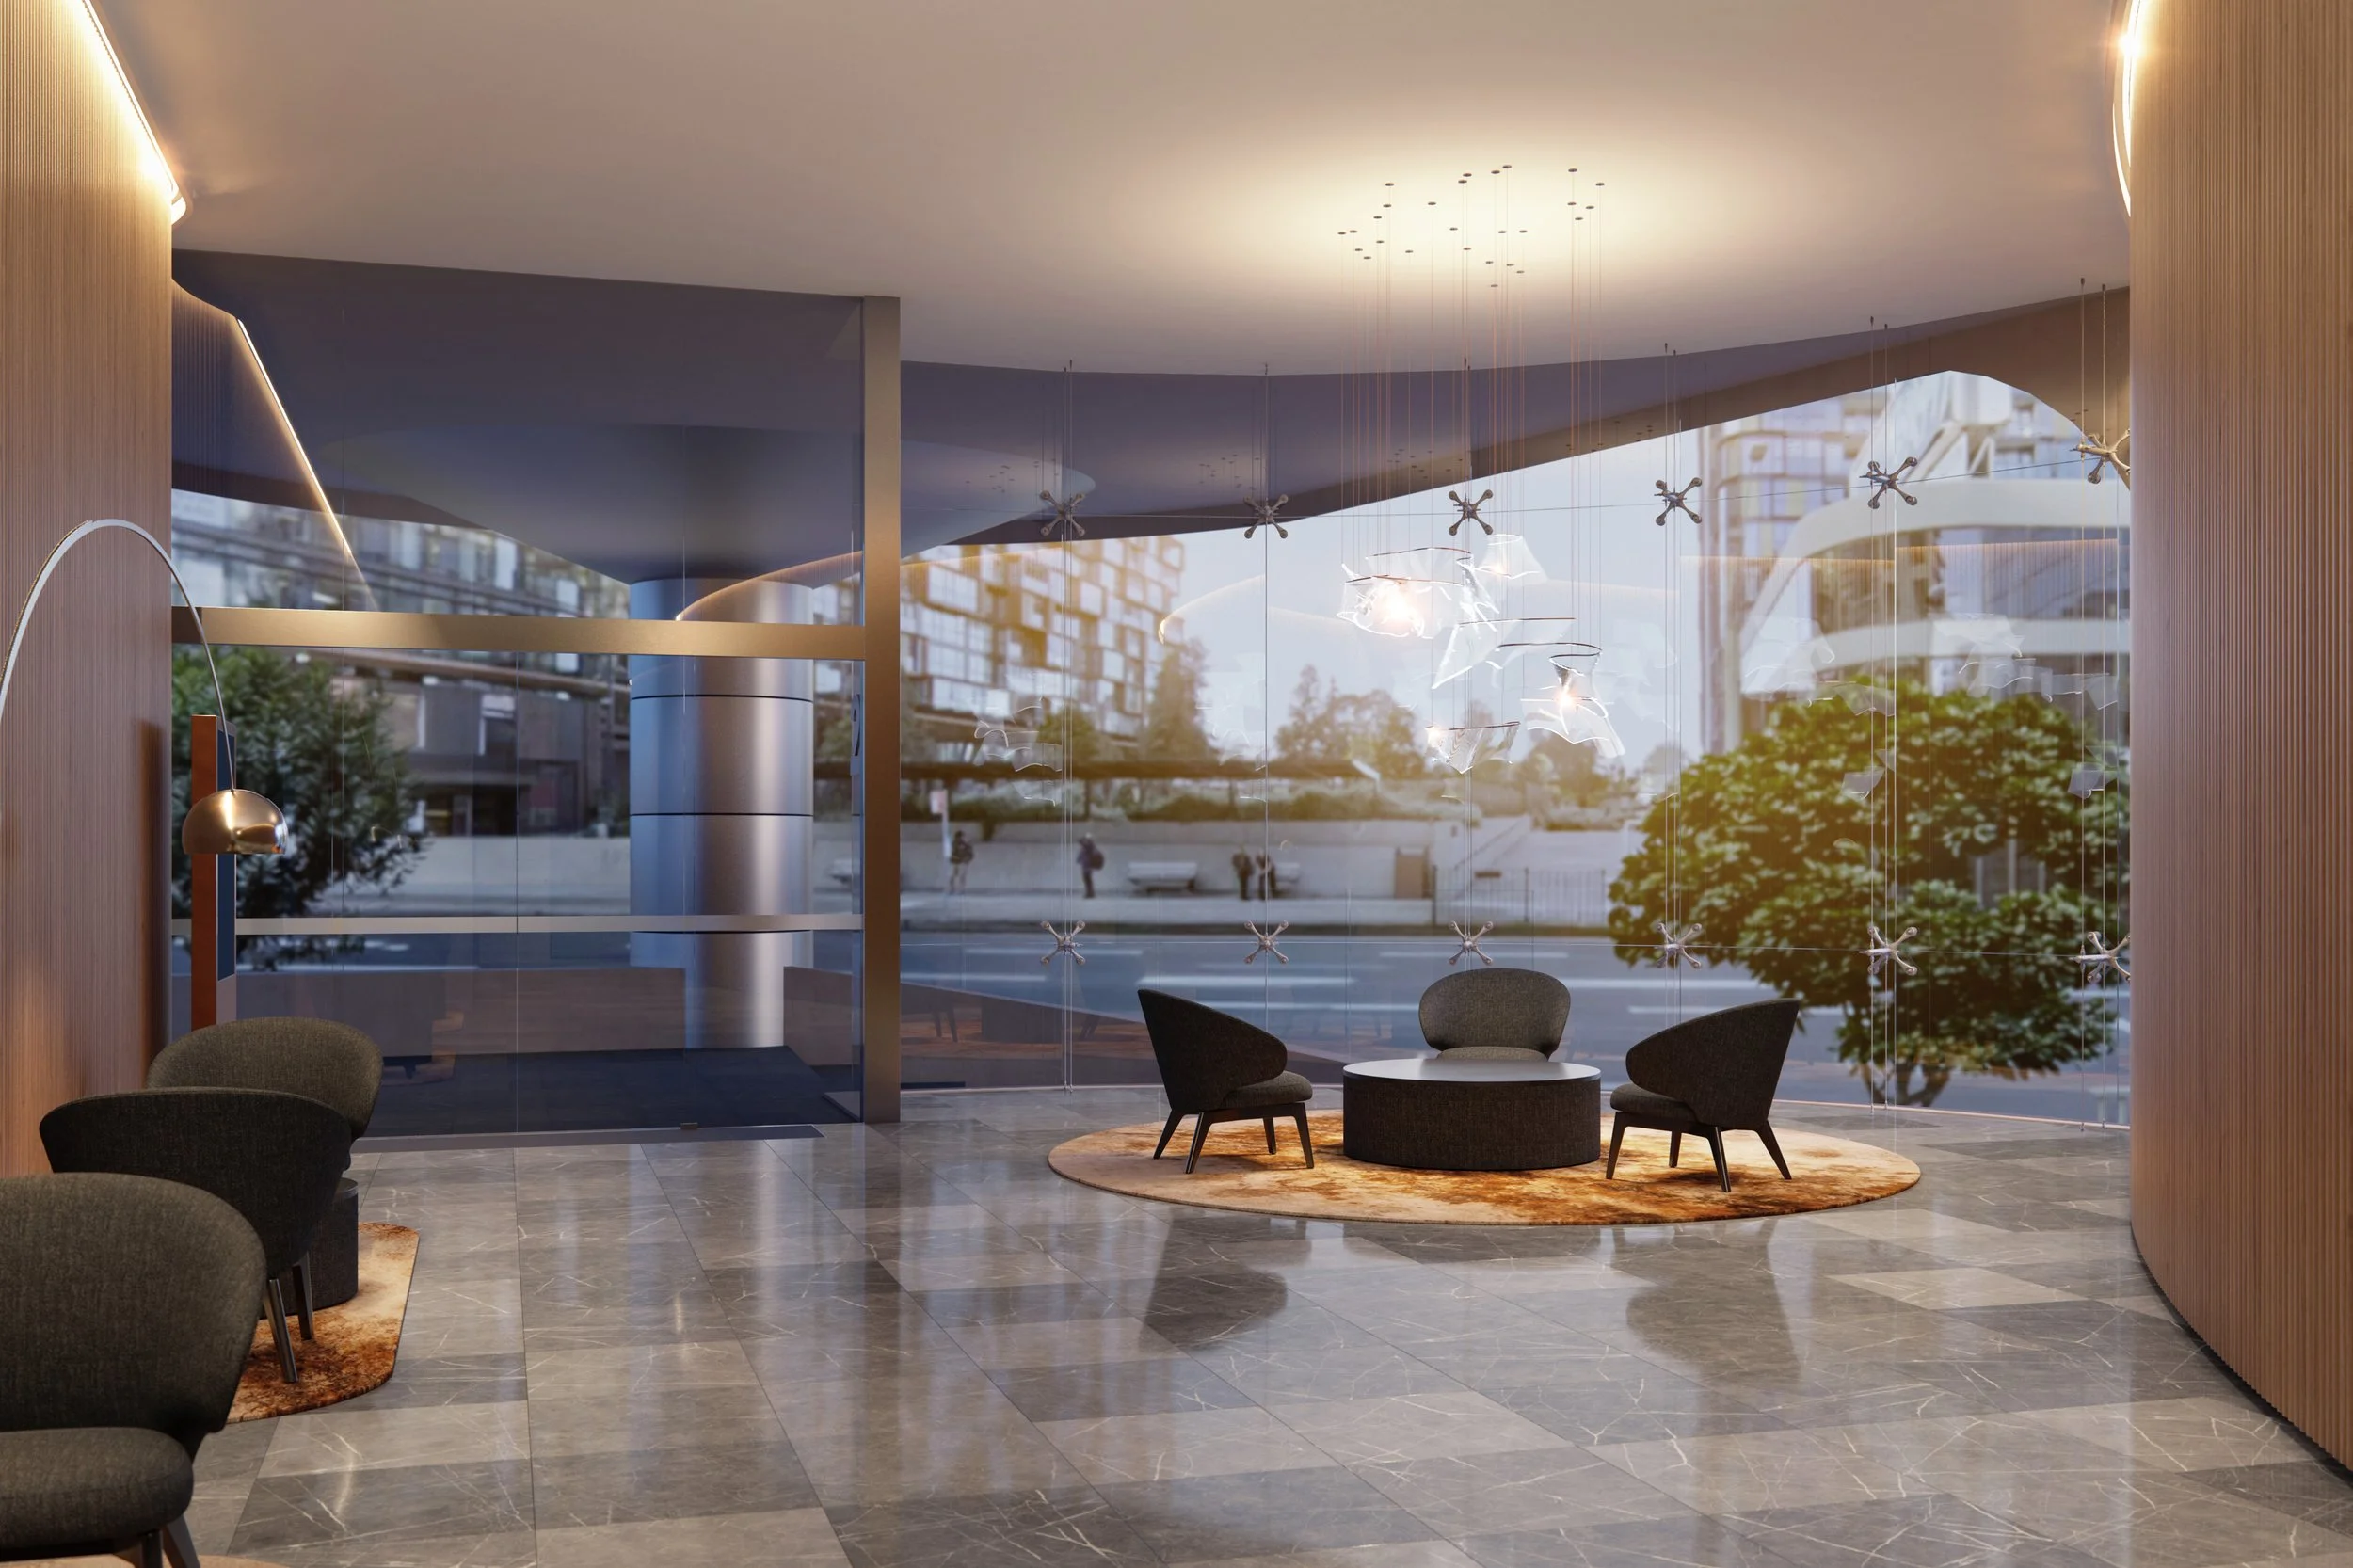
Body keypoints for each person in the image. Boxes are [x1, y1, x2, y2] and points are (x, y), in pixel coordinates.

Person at [1077, 834, 1105, 899]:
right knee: (1087, 880)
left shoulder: (1088, 847)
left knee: (1087, 880)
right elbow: (1081, 855)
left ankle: (1090, 893)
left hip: (1087, 866)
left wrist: (1079, 860)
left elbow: (1082, 854)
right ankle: (1090, 892)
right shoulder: (1086, 848)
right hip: (1086, 866)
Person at [947, 829, 974, 893]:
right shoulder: (953, 844)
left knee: (962, 876)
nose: (960, 838)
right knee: (953, 876)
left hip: (963, 862)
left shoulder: (966, 845)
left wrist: (966, 859)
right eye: (958, 837)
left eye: (961, 837)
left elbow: (970, 854)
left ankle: (961, 889)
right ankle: (952, 888)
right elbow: (950, 853)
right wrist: (952, 858)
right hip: (955, 862)